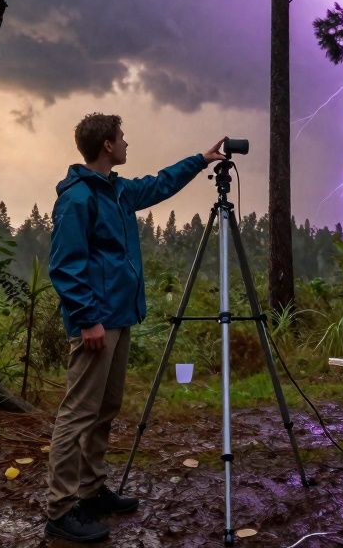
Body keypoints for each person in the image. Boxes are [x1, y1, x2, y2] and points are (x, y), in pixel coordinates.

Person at [45, 113, 225, 543]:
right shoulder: (78, 198)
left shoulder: (119, 191)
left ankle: (91, 491)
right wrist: (88, 320)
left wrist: (200, 160)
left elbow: (160, 183)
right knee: (79, 413)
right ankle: (61, 509)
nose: (127, 143)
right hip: (97, 322)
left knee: (105, 409)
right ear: (107, 145)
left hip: (119, 317)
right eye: (122, 138)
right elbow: (65, 265)